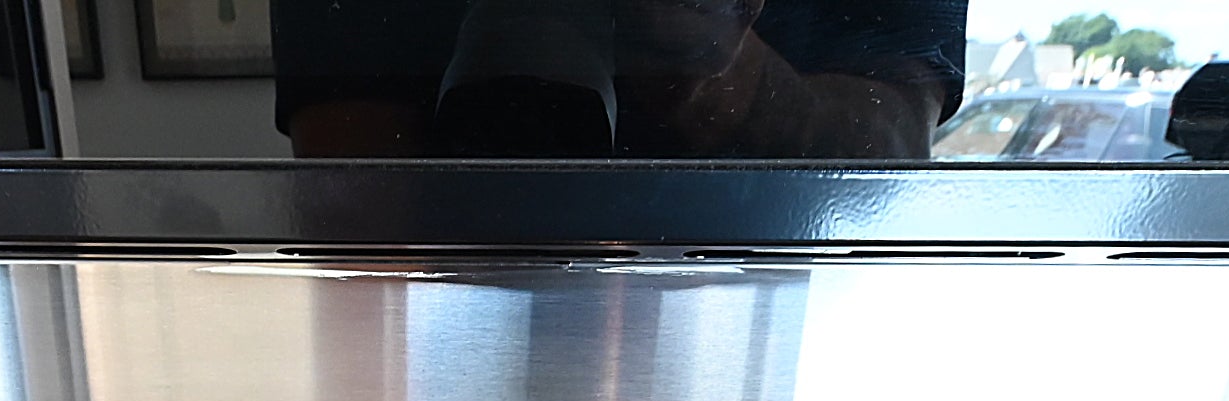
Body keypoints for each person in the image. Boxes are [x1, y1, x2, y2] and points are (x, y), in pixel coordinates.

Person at [273, 0, 970, 159]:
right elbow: (347, 188)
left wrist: (724, 72)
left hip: (763, 365)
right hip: (430, 373)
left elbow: (895, 150)